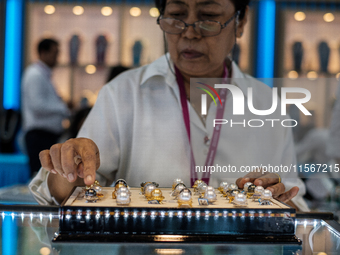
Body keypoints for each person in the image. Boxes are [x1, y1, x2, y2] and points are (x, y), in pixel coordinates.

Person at [29, 0, 308, 211]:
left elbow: (297, 207)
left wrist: (278, 198)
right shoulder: (122, 93)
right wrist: (68, 166)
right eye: (175, 17)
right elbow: (63, 194)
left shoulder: (266, 104)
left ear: (241, 21)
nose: (189, 33)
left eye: (208, 17)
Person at [22, 39, 70, 176]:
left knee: (47, 177)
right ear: (43, 53)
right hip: (39, 136)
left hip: (46, 136)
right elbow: (37, 106)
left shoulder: (43, 75)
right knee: (40, 178)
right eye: (54, 53)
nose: (57, 58)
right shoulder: (34, 75)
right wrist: (64, 109)